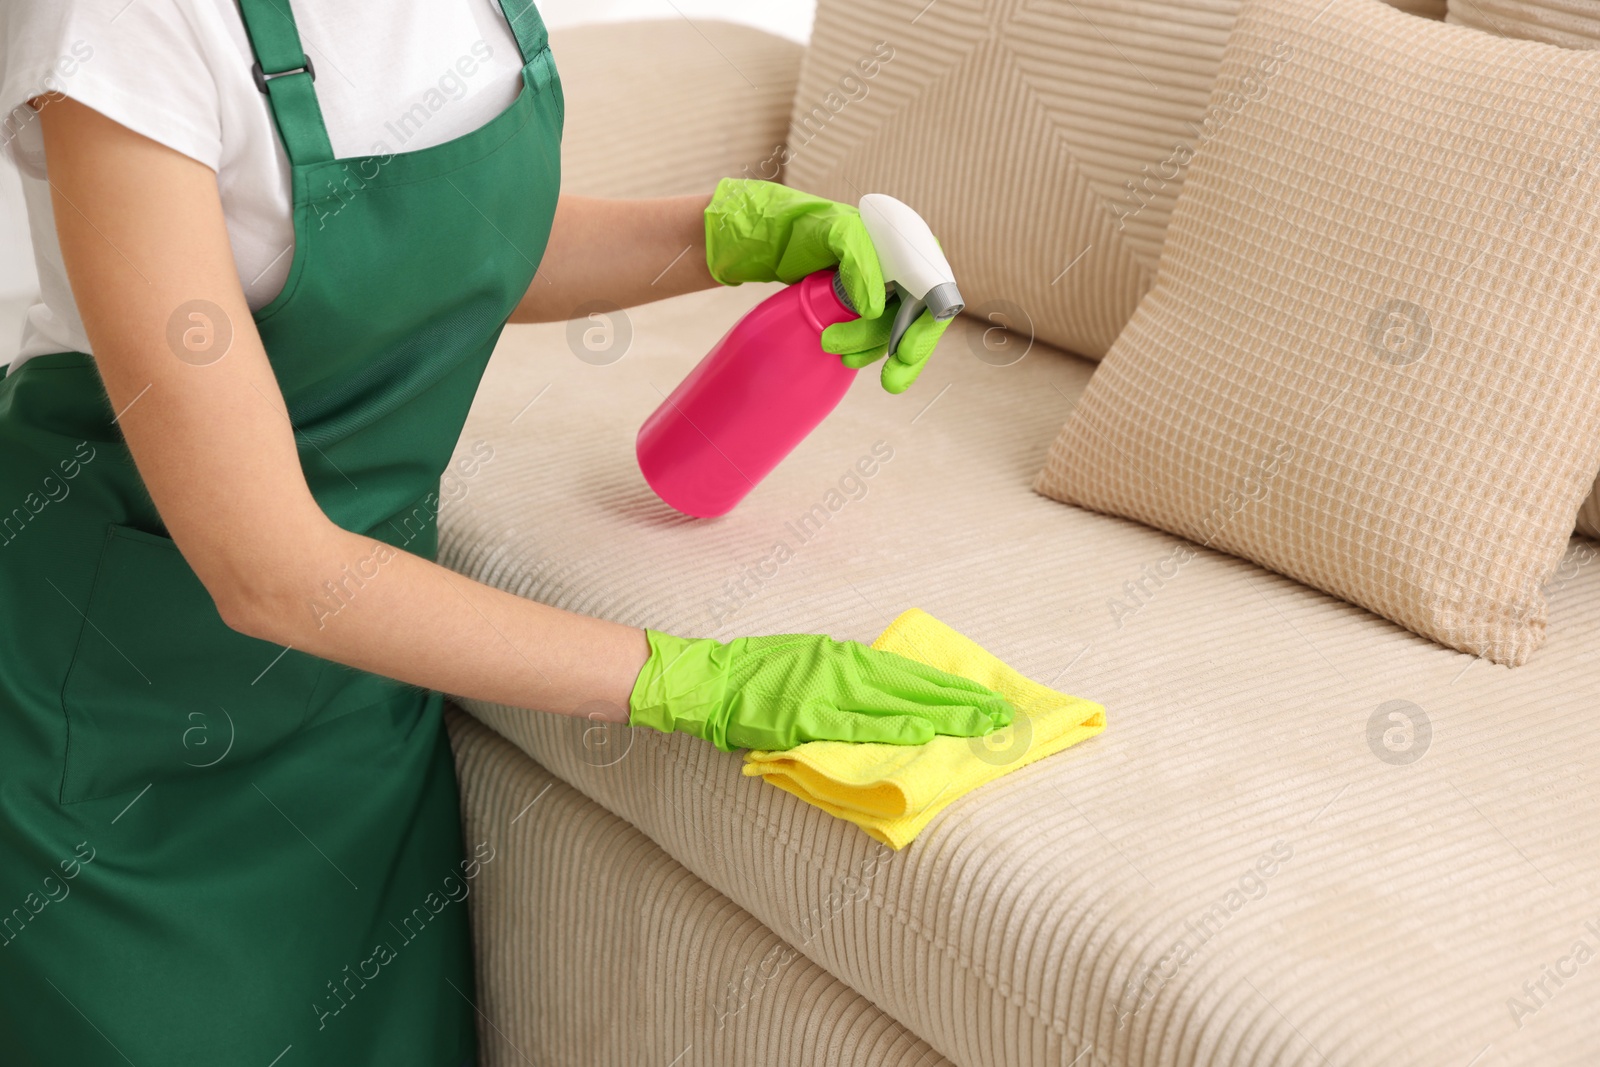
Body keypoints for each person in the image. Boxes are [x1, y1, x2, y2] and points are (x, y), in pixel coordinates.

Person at [0, 1, 1011, 1062]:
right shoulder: (127, 23)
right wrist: (695, 681)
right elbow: (266, 568)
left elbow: (450, 257)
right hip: (116, 720)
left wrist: (722, 238)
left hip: (358, 689)